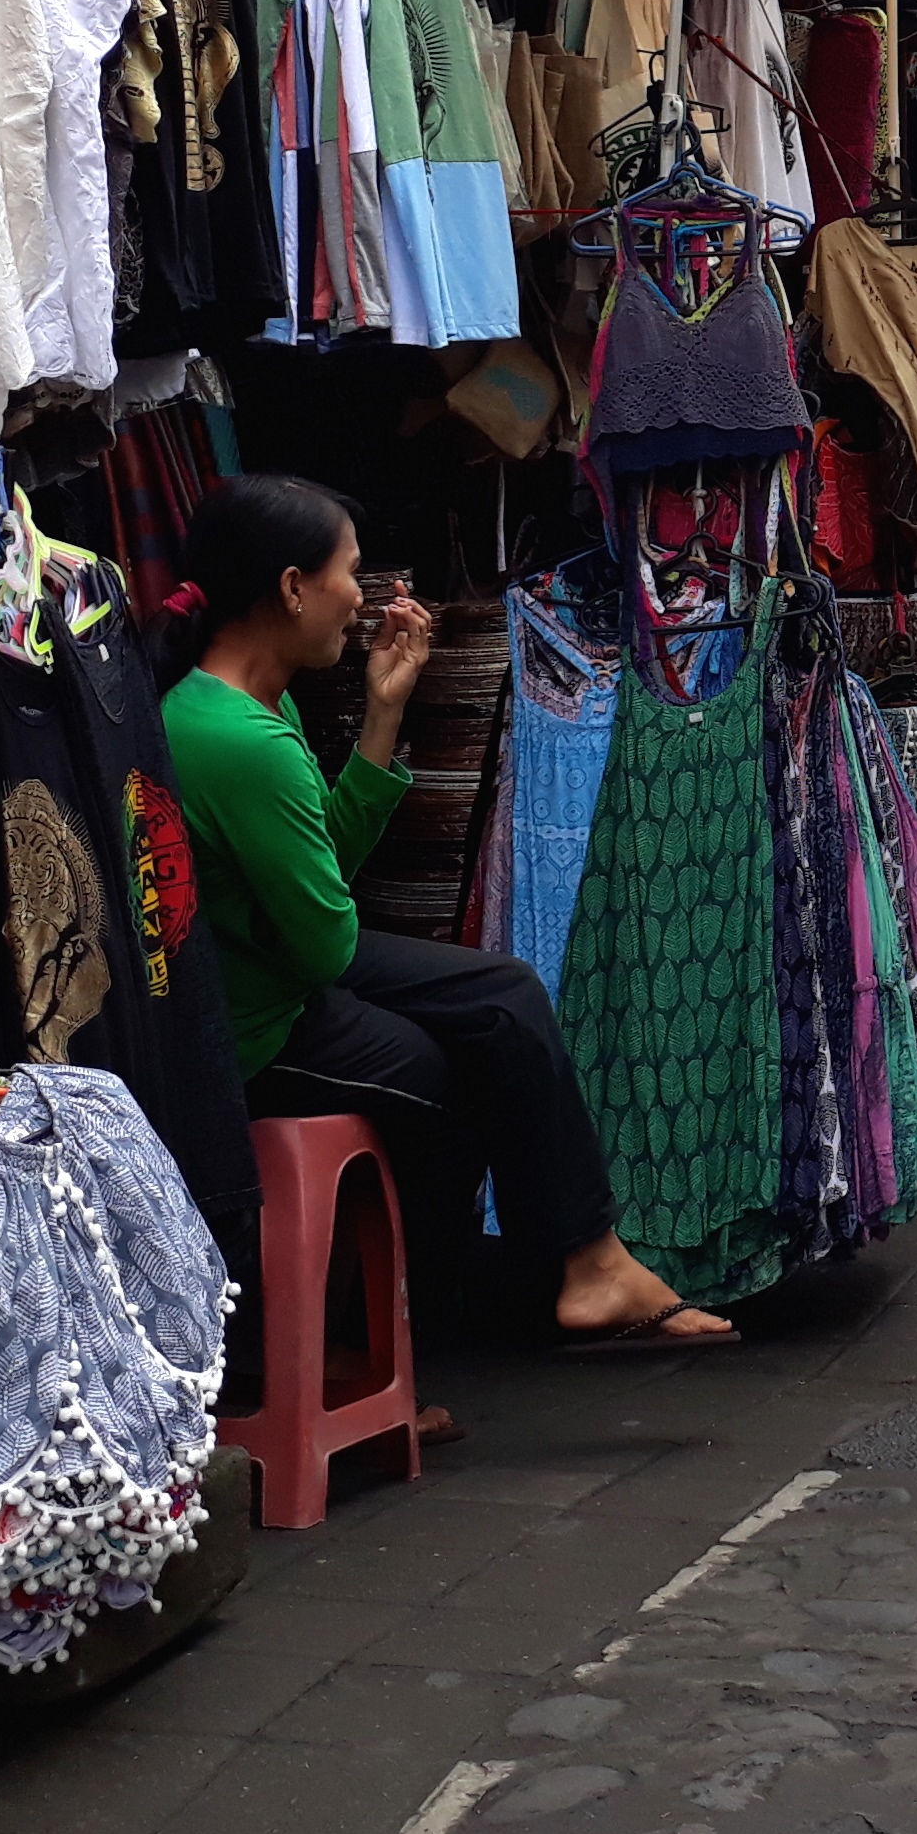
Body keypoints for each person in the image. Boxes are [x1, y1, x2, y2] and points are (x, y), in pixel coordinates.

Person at [159, 475, 731, 1370]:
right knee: (448, 1077)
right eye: (351, 572)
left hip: (275, 972)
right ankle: (390, 1347)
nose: (366, 595)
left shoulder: (236, 708)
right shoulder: (242, 743)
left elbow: (322, 890)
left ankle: (586, 1263)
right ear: (290, 588)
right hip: (259, 1023)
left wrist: (386, 711)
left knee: (503, 995)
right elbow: (327, 942)